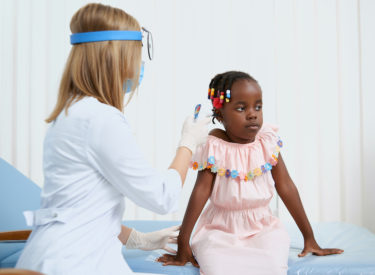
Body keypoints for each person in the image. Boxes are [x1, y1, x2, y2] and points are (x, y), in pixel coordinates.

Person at [15, 3, 209, 275]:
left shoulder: (70, 114)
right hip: (73, 263)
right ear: (115, 60)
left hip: (49, 257)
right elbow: (161, 197)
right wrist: (188, 143)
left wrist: (138, 239)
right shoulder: (100, 119)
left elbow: (81, 206)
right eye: (136, 56)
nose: (139, 65)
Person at [157, 71, 344, 275]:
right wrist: (183, 244)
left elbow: (286, 187)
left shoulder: (266, 142)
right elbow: (200, 193)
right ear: (220, 115)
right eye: (241, 108)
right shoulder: (215, 146)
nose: (253, 113)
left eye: (258, 106)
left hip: (263, 228)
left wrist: (309, 237)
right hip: (220, 230)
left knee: (273, 266)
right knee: (216, 268)